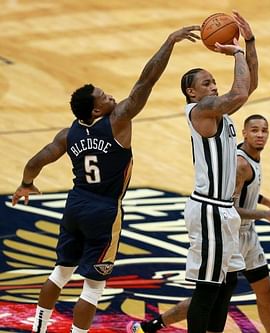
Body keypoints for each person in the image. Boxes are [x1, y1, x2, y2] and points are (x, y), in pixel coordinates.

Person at [11, 26, 200, 333]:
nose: (111, 95)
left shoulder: (67, 134)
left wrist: (26, 183)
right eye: (104, 96)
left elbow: (36, 161)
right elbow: (146, 81)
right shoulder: (118, 121)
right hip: (105, 210)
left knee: (59, 273)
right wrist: (169, 41)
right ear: (98, 109)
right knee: (93, 287)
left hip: (75, 204)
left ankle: (39, 328)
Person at [137, 10, 257, 333]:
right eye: (207, 83)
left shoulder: (219, 111)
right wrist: (237, 55)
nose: (214, 86)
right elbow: (241, 92)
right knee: (206, 289)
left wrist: (249, 42)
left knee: (227, 282)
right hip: (209, 211)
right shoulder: (201, 111)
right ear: (192, 92)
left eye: (215, 81)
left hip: (224, 210)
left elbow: (249, 85)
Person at [129, 115, 270, 333]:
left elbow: (243, 188)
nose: (260, 135)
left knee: (265, 291)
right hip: (229, 232)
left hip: (248, 235)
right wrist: (266, 214)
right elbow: (230, 206)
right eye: (254, 130)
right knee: (208, 297)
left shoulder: (251, 159)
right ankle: (151, 326)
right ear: (244, 133)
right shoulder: (240, 163)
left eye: (264, 130)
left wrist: (267, 201)